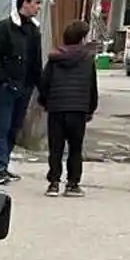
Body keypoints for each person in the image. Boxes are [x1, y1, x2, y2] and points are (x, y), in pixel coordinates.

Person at [0, 0, 45, 184]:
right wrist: (1, 82)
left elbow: (36, 62)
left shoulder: (33, 30)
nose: (38, 8)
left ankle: (5, 164)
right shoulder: (4, 28)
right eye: (36, 3)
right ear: (24, 3)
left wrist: (40, 87)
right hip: (7, 87)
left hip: (25, 88)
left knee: (14, 128)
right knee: (2, 127)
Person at [37, 19, 98, 197]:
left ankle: (54, 183)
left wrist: (45, 102)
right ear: (81, 39)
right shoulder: (87, 59)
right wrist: (90, 109)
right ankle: (72, 184)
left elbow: (44, 82)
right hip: (78, 109)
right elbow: (91, 86)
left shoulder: (55, 58)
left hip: (56, 108)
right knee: (75, 148)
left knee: (55, 147)